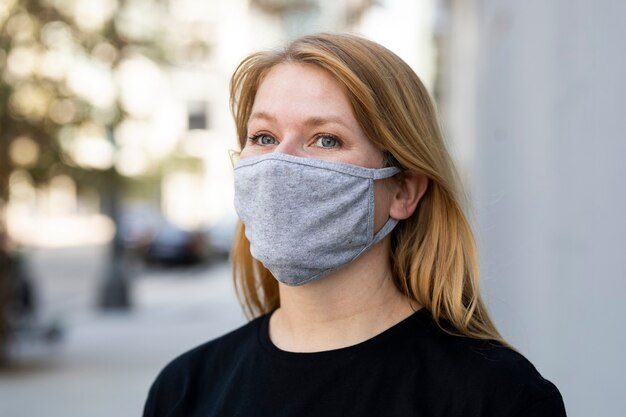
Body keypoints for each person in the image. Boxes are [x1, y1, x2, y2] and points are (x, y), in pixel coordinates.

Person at [143, 33, 566, 417]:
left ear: (403, 190)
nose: (280, 163)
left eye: (326, 139)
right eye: (264, 137)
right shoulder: (184, 389)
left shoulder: (498, 397)